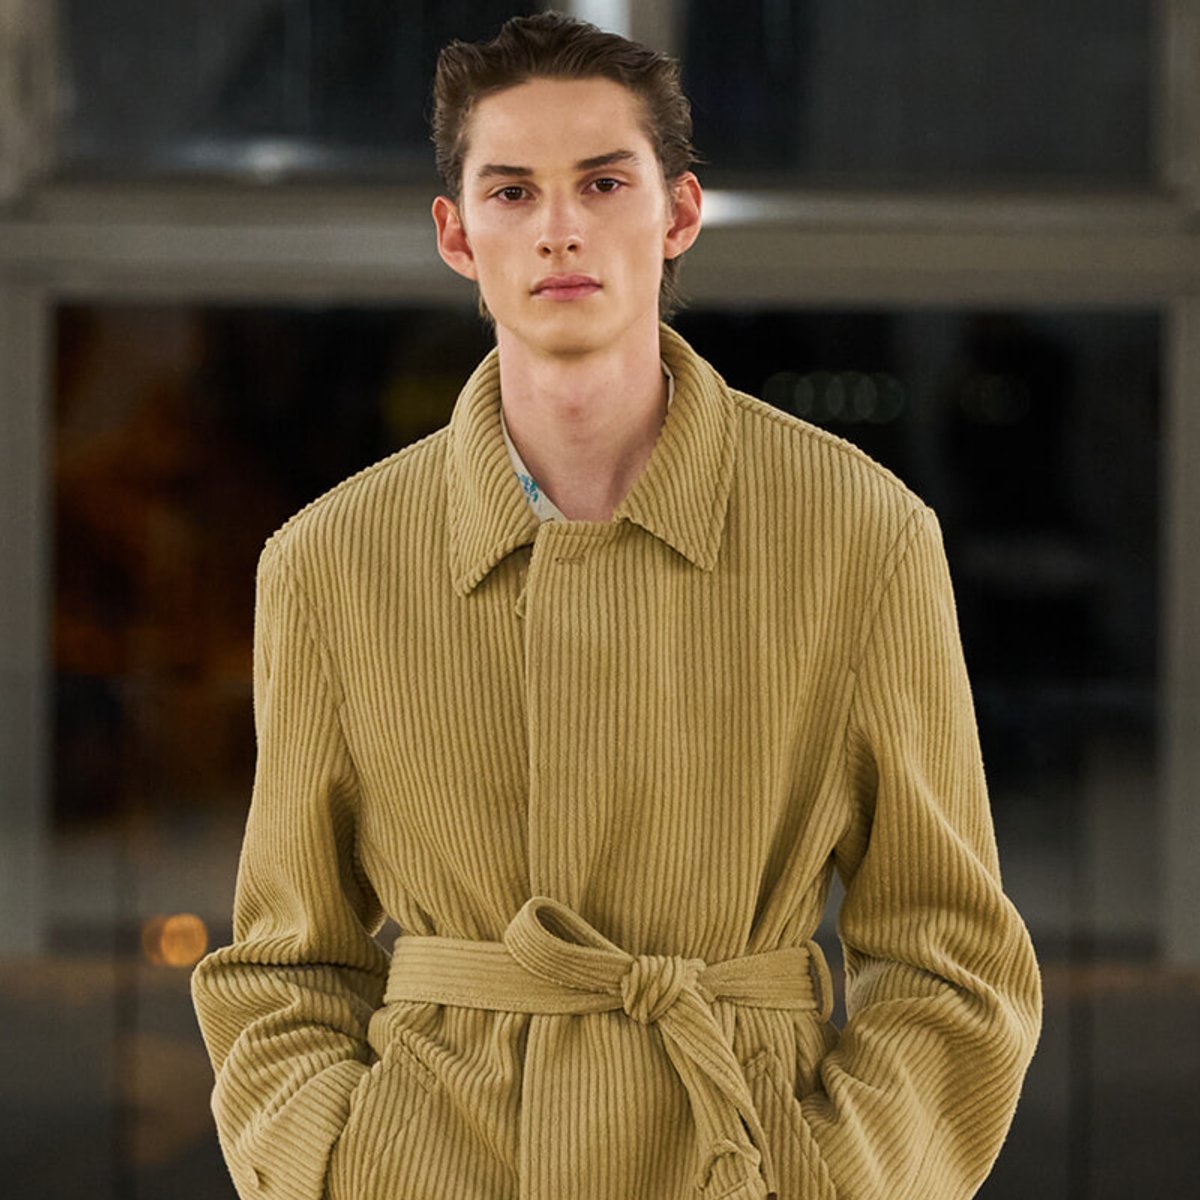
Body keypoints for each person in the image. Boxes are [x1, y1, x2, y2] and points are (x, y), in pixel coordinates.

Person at [191, 12, 1042, 1200]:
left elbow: (953, 964)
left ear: (679, 212)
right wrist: (338, 1163)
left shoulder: (859, 537)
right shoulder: (332, 564)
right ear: (455, 233)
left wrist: (841, 1180)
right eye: (512, 192)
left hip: (744, 1157)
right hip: (438, 1163)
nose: (559, 230)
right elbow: (284, 967)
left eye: (601, 182)